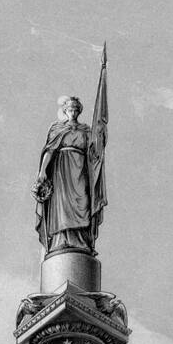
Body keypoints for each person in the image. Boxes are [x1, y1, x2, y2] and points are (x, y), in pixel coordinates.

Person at [33, 90, 106, 253]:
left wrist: (100, 137)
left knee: (82, 202)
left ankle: (81, 240)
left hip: (80, 170)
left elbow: (94, 152)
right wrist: (42, 171)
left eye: (75, 109)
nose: (72, 112)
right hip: (61, 171)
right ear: (65, 111)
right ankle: (61, 239)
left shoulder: (86, 130)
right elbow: (50, 150)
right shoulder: (57, 128)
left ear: (79, 111)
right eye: (69, 109)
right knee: (62, 204)